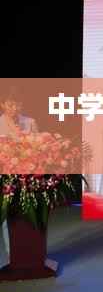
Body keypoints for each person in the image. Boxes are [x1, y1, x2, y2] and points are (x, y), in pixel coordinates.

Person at [0, 90, 38, 259]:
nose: (14, 108)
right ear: (3, 105)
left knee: (30, 212)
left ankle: (33, 251)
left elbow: (39, 149)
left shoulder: (30, 122)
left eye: (17, 104)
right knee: (8, 215)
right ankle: (13, 255)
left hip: (28, 176)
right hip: (5, 177)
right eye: (10, 104)